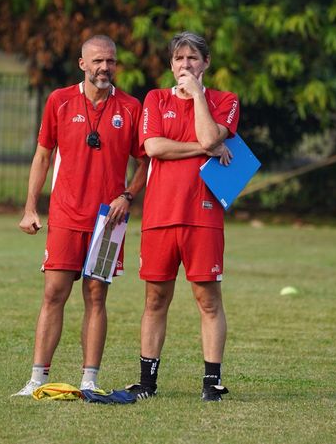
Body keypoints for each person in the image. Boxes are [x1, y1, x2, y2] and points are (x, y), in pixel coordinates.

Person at [12, 35, 148, 396]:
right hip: (65, 215)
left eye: (112, 61)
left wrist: (127, 196)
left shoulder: (132, 108)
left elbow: (145, 162)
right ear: (82, 64)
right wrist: (30, 207)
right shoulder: (58, 100)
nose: (105, 67)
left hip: (109, 220)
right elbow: (42, 157)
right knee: (54, 294)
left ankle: (90, 380)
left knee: (96, 295)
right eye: (98, 61)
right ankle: (36, 379)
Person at [125, 31, 239, 402]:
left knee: (208, 300)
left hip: (203, 217)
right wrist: (202, 149)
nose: (184, 66)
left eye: (192, 59)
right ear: (170, 64)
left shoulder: (226, 101)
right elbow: (154, 147)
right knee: (155, 300)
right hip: (159, 215)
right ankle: (147, 381)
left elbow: (210, 137)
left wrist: (199, 99)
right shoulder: (155, 99)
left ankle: (212, 383)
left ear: (205, 63)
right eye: (178, 60)